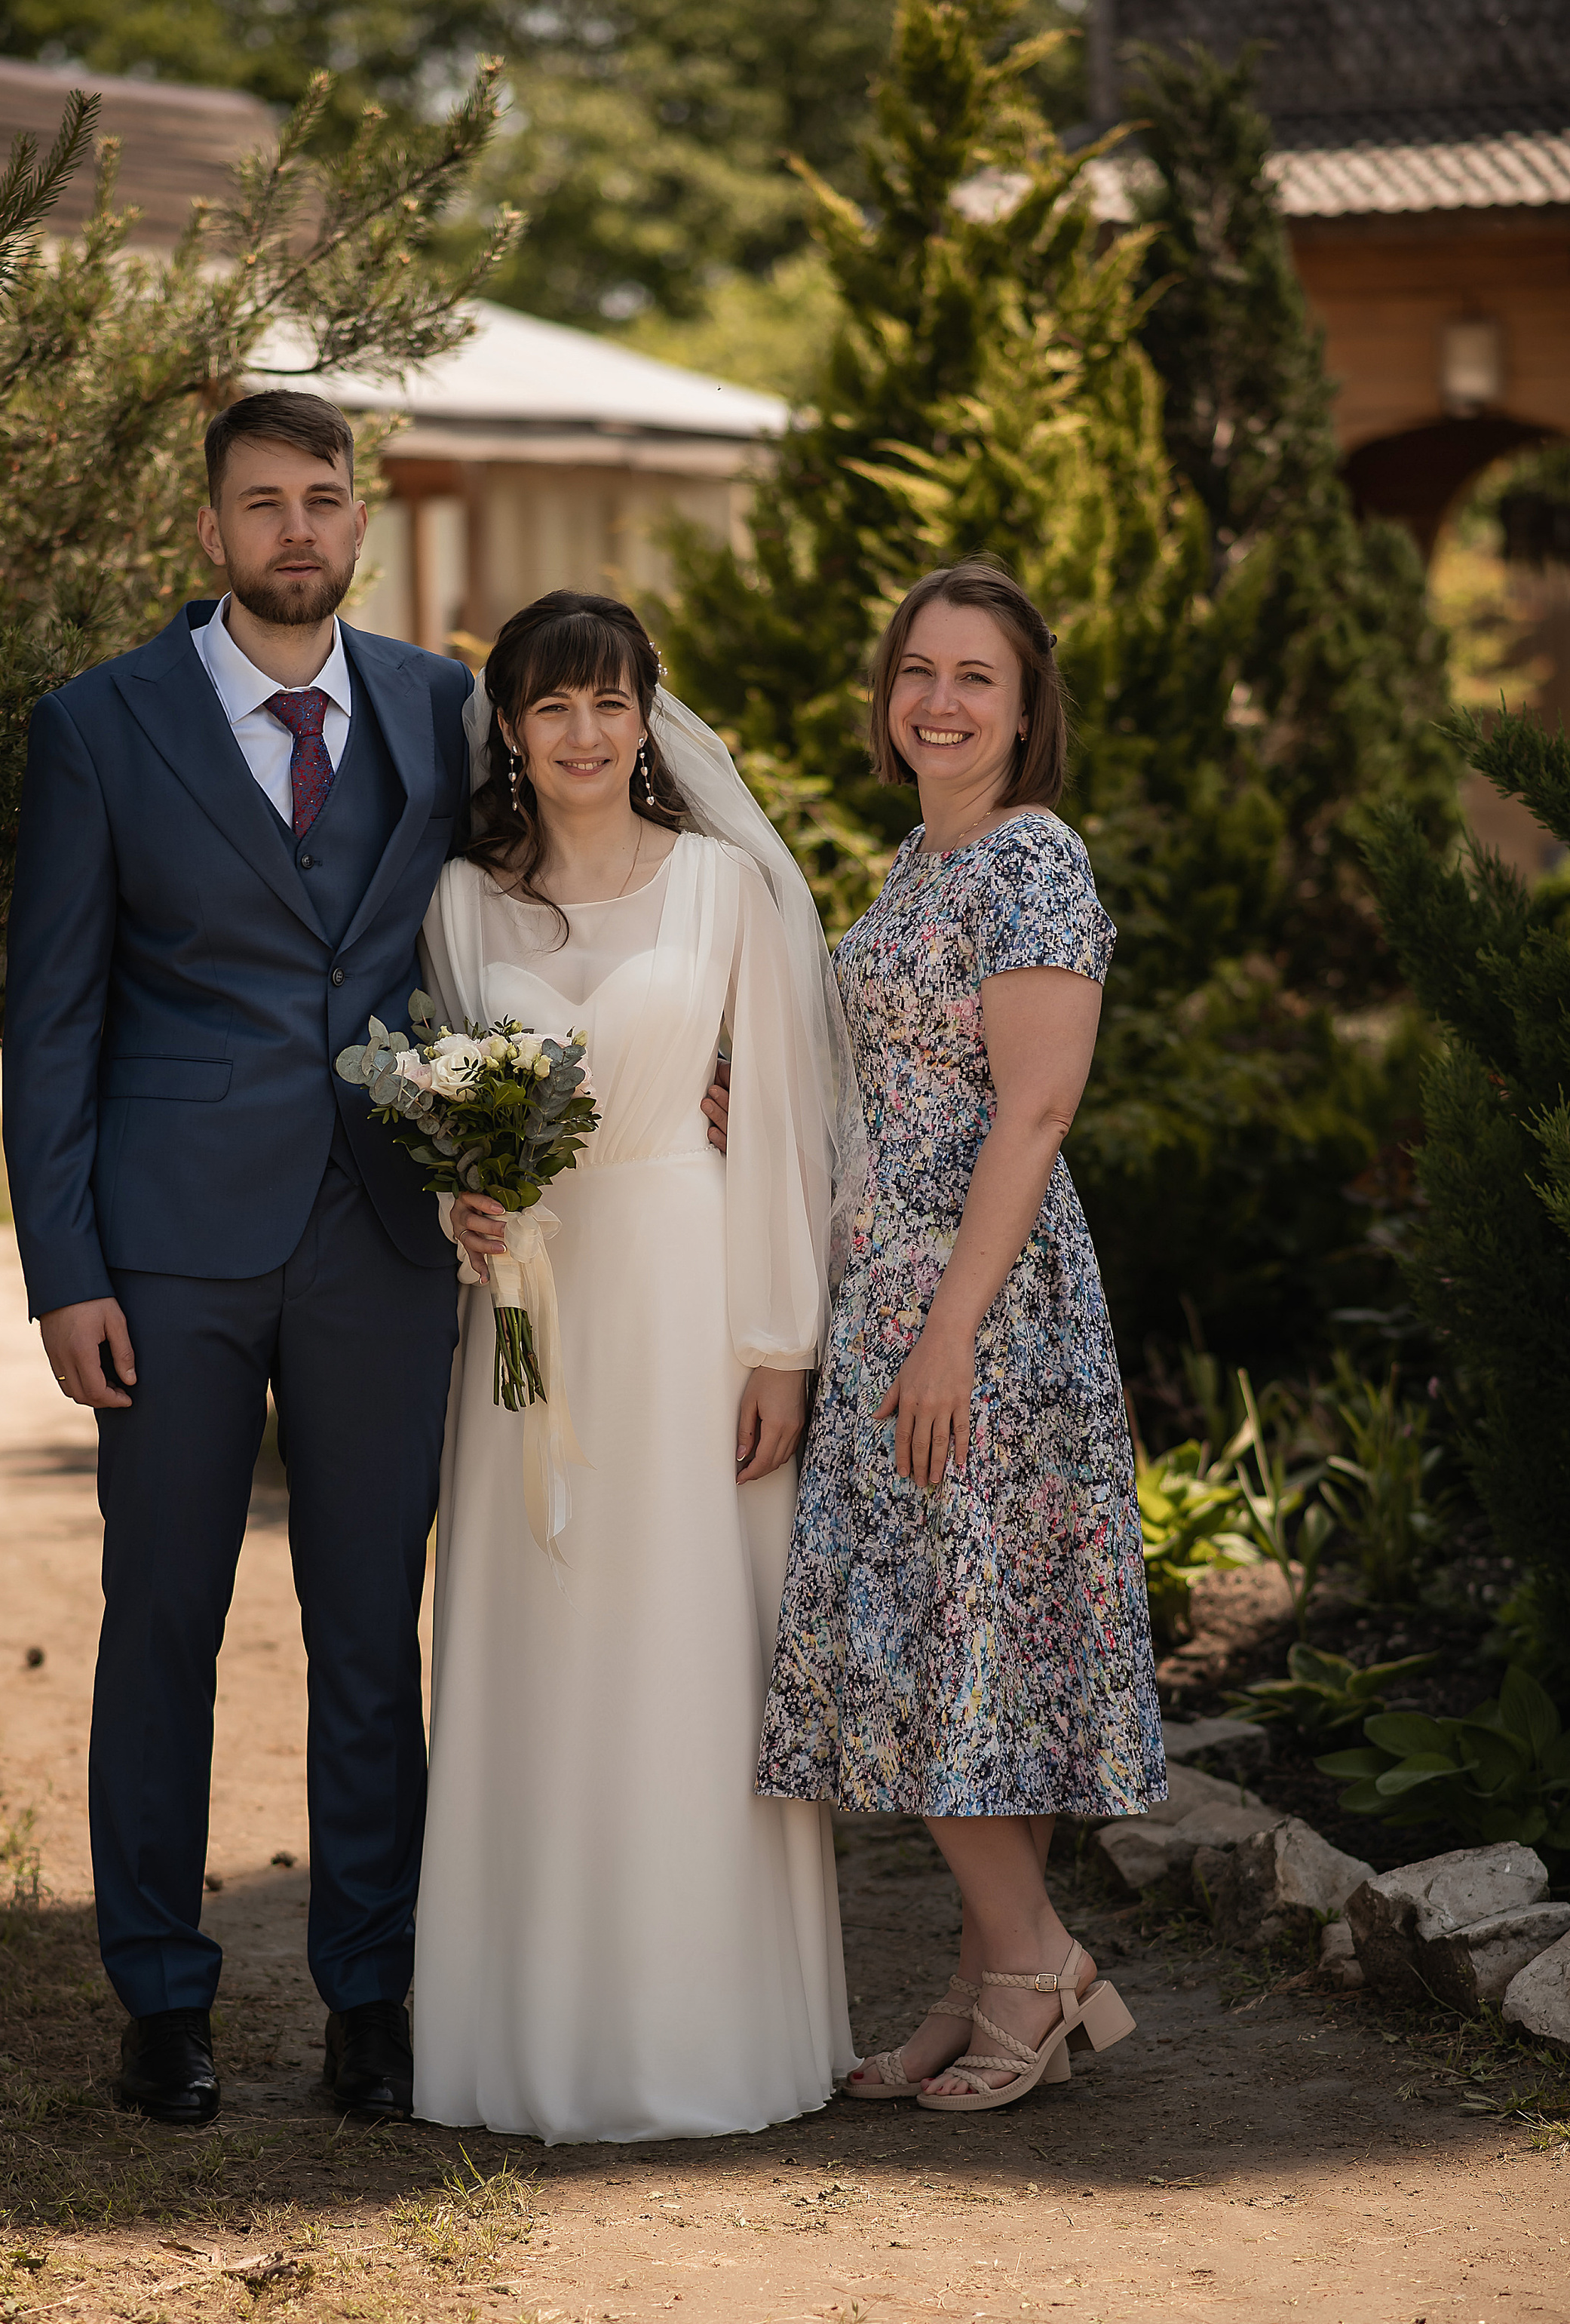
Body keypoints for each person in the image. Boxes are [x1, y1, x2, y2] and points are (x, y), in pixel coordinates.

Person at [2, 390, 473, 2129]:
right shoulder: (98, 725)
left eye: (322, 500)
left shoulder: (441, 705)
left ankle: (369, 1993)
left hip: (383, 1243)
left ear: (361, 520)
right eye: (261, 503)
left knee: (368, 1634)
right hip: (170, 1254)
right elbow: (52, 1020)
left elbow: (552, 894)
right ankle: (161, 1996)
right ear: (208, 530)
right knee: (162, 1626)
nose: (295, 530)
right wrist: (66, 1270)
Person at [412, 592, 859, 2144]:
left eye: (608, 704)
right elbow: (448, 1108)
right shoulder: (463, 905)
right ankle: (527, 2040)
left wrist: (777, 1347)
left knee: (686, 1656)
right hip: (531, 1320)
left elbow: (785, 1135)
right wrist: (461, 1201)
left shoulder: (725, 891)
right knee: (536, 1645)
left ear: (647, 716)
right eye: (549, 710)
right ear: (510, 735)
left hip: (685, 1298)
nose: (583, 736)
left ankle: (702, 2034)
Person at [754, 557, 1167, 2115]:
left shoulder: (1027, 858)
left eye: (973, 677)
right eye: (915, 670)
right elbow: (892, 1077)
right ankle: (990, 1969)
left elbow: (1037, 1104)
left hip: (978, 1314)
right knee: (961, 1651)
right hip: (896, 1302)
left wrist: (945, 1332)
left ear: (1023, 705)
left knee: (939, 1653)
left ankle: (1033, 1965)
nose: (937, 700)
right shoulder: (916, 866)